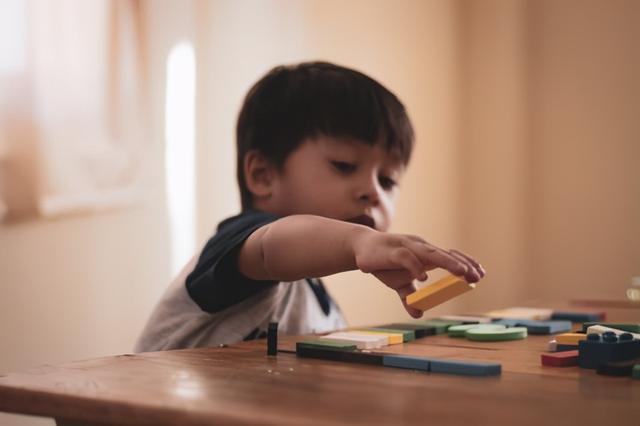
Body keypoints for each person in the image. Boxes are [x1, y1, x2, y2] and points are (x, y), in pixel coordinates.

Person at [134, 61, 485, 352]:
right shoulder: (245, 247)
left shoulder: (322, 309)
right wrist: (356, 242)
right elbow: (276, 247)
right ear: (263, 175)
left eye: (388, 180)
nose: (372, 192)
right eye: (345, 166)